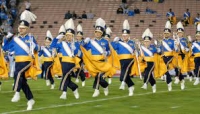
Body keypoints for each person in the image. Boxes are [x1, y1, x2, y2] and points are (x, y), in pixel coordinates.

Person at [3, 10, 38, 110]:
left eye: (23, 28)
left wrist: (35, 46)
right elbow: (6, 48)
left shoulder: (30, 38)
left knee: (17, 74)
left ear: (27, 29)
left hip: (27, 61)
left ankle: (17, 93)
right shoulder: (14, 39)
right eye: (20, 28)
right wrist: (6, 39)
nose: (21, 29)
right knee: (22, 81)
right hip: (18, 61)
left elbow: (37, 49)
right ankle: (30, 99)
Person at [81, 18, 116, 97]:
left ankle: (96, 90)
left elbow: (110, 51)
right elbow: (83, 47)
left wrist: (106, 53)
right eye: (96, 32)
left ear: (102, 33)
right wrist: (84, 42)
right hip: (94, 63)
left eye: (99, 32)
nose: (97, 34)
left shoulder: (105, 41)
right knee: (98, 77)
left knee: (99, 76)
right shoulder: (91, 41)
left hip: (102, 62)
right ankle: (105, 86)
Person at [51, 19, 79, 100]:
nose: (68, 37)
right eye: (67, 35)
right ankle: (74, 88)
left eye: (70, 35)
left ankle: (64, 92)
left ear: (73, 36)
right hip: (63, 62)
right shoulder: (62, 44)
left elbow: (78, 54)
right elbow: (53, 46)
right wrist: (56, 39)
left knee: (65, 76)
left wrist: (75, 49)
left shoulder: (76, 44)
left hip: (71, 63)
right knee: (66, 77)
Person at [112, 20, 135, 96]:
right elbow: (112, 47)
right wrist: (114, 41)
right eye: (123, 35)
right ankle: (131, 87)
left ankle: (122, 84)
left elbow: (135, 50)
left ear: (128, 35)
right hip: (122, 60)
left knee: (125, 73)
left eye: (126, 35)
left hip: (130, 60)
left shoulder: (132, 42)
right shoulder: (119, 42)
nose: (124, 36)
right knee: (124, 76)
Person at [140, 28, 157, 93]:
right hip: (144, 63)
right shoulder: (141, 47)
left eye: (147, 41)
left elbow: (158, 51)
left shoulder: (153, 47)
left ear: (150, 41)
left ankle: (145, 84)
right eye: (145, 41)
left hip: (151, 63)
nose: (146, 42)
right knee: (149, 76)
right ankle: (153, 84)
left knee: (148, 72)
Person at [173, 22, 189, 90]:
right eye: (178, 32)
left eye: (180, 32)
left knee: (179, 68)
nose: (179, 34)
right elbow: (175, 48)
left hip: (182, 55)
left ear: (182, 33)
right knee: (176, 68)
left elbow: (186, 48)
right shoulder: (175, 40)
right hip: (176, 54)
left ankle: (177, 78)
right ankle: (182, 81)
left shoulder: (185, 40)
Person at [161, 21, 176, 91]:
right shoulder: (161, 41)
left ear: (169, 34)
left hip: (170, 57)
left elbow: (176, 50)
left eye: (167, 33)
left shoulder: (173, 41)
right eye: (165, 33)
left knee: (166, 67)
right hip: (163, 57)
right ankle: (169, 83)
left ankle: (170, 82)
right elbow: (159, 50)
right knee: (165, 70)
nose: (166, 34)